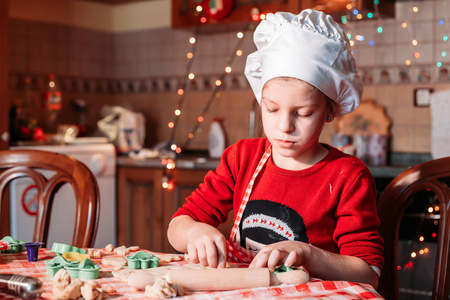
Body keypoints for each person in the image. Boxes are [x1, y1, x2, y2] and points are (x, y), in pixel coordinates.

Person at [167, 9, 384, 288]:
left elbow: (368, 273)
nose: (284, 126)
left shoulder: (347, 176)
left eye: (303, 113)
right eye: (271, 109)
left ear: (330, 110)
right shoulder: (241, 158)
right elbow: (177, 227)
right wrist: (195, 232)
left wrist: (308, 254)